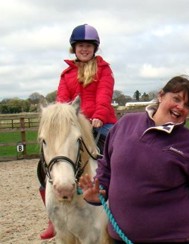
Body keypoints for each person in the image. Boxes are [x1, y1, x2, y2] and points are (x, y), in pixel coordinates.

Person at [79, 75, 189, 244]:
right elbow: (106, 167)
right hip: (120, 238)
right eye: (176, 98)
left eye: (187, 105)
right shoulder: (125, 125)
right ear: (160, 95)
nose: (180, 107)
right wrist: (98, 192)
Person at [38, 24, 117, 240]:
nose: (84, 49)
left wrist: (99, 115)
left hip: (100, 122)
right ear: (74, 48)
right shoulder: (66, 74)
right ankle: (52, 218)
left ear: (94, 48)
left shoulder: (104, 70)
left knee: (120, 152)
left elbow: (104, 94)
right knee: (44, 165)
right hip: (73, 123)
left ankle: (123, 207)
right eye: (81, 45)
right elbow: (62, 100)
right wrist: (60, 120)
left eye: (88, 46)